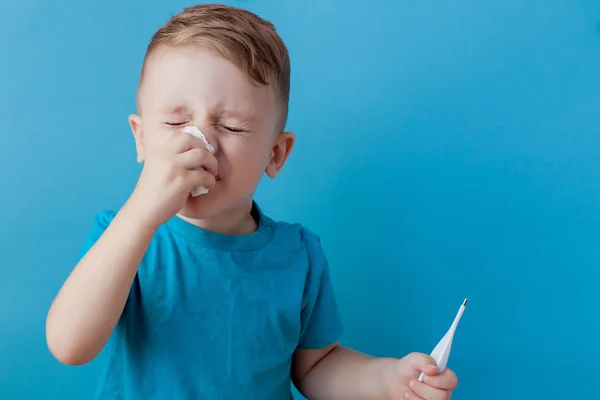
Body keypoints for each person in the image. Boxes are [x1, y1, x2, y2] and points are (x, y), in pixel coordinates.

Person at [46, 4, 458, 399]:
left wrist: (386, 380)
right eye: (175, 122)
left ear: (275, 154)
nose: (199, 142)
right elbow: (70, 345)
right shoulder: (122, 237)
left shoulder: (299, 256)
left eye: (231, 126)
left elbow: (316, 367)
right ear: (141, 137)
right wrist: (139, 214)